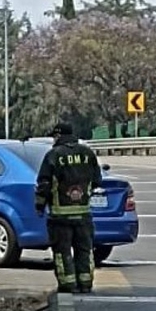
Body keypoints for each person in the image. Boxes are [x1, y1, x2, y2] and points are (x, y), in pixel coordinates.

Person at [35, 122, 104, 294]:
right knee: (84, 250)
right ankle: (85, 283)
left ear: (58, 135)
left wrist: (40, 205)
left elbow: (44, 183)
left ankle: (67, 284)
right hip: (83, 215)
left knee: (62, 251)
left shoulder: (53, 155)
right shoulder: (87, 153)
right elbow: (97, 180)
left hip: (60, 217)